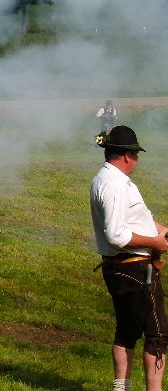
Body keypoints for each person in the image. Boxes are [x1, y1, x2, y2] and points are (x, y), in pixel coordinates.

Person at [90, 125, 168, 391]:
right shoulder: (114, 185)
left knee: (127, 331)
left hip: (124, 268)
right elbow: (117, 235)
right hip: (135, 269)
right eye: (135, 154)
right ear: (126, 155)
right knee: (157, 334)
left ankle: (120, 389)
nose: (136, 160)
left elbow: (133, 219)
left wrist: (160, 230)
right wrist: (154, 242)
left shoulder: (109, 179)